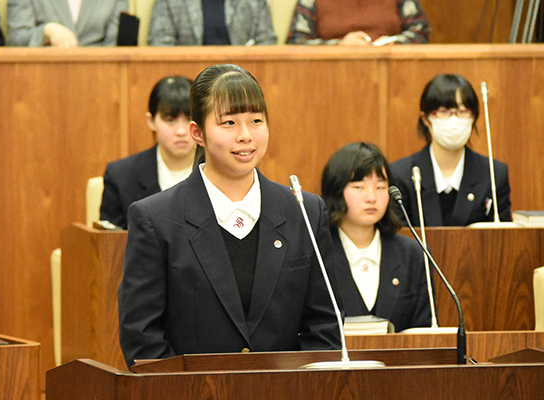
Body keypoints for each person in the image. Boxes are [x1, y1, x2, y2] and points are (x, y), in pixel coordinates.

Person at [118, 63, 340, 368]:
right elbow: (142, 338)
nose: (246, 135)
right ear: (198, 133)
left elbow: (326, 328)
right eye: (229, 123)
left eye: (256, 121)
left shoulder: (305, 211)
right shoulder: (155, 219)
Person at [321, 142, 433, 332]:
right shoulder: (317, 252)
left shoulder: (413, 254)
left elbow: (422, 332)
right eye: (359, 187)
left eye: (381, 187)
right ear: (336, 191)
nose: (371, 197)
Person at [390, 74, 512, 226]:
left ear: (473, 117)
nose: (454, 120)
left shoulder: (493, 174)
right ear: (426, 119)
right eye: (444, 111)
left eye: (462, 111)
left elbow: (503, 239)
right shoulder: (401, 174)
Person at [100, 76, 197, 230]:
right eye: (170, 120)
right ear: (151, 121)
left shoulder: (220, 170)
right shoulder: (121, 176)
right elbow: (111, 246)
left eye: (189, 119)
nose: (181, 131)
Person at [286, 0, 430, 45]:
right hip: (330, 77)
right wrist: (339, 46)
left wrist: (392, 44)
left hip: (393, 75)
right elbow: (296, 42)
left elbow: (421, 32)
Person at [147, 0, 277, 46]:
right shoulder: (169, 1)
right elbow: (160, 43)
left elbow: (266, 40)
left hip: (242, 82)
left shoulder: (255, 1)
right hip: (189, 83)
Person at [7, 0, 127, 47]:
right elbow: (16, 38)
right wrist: (45, 32)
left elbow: (116, 44)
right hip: (43, 79)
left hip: (100, 80)